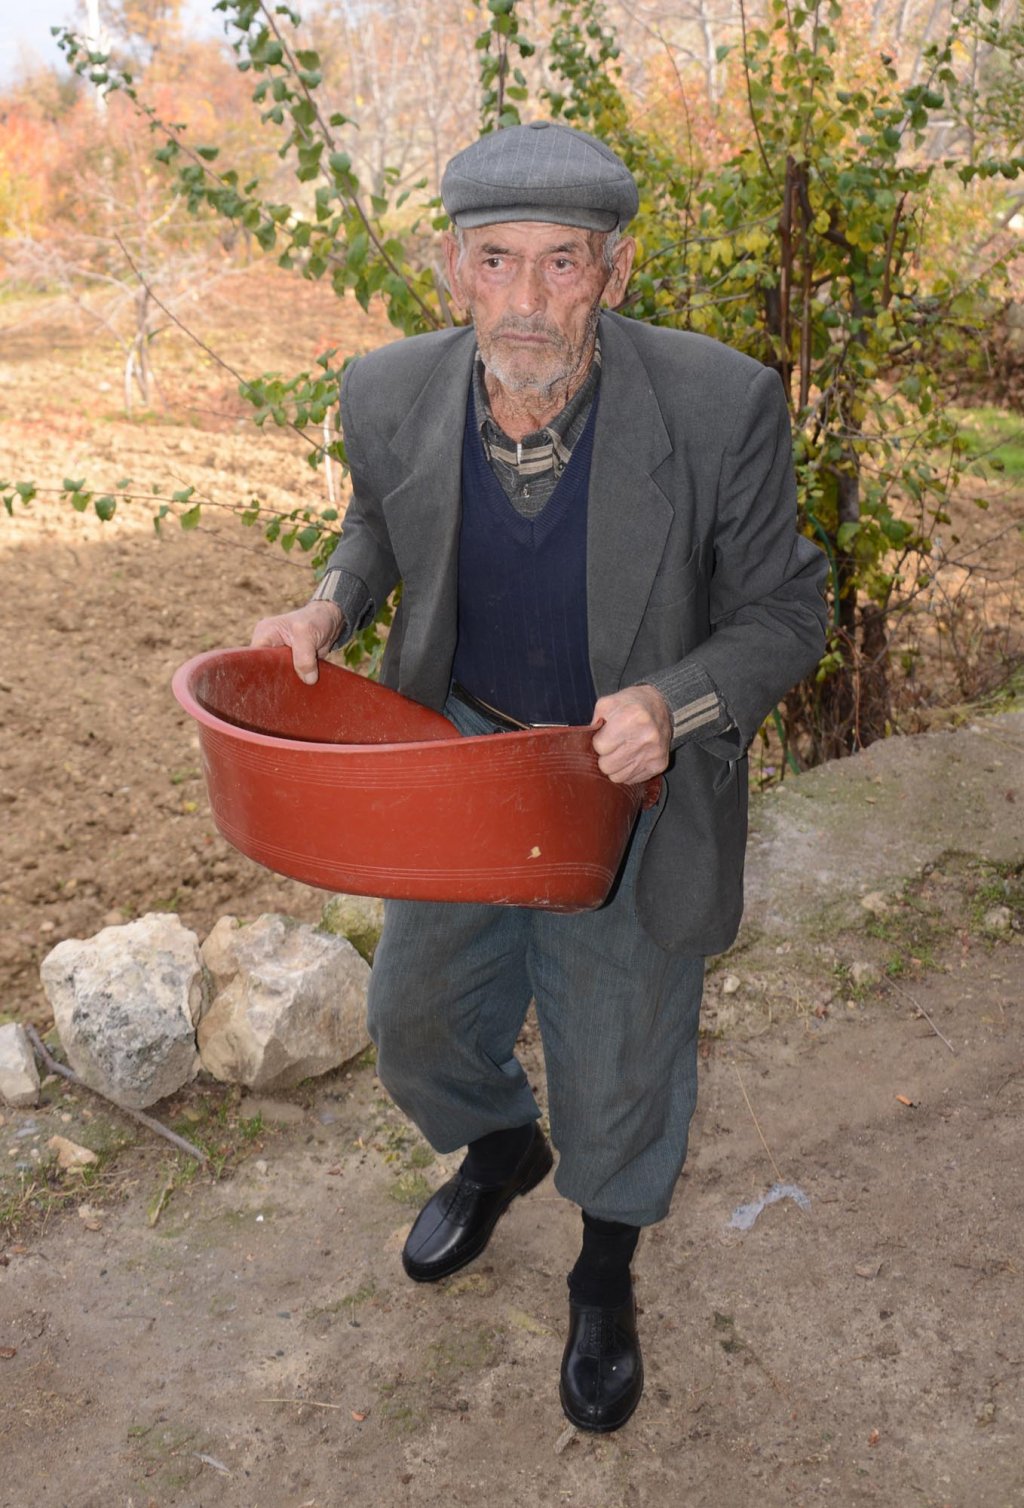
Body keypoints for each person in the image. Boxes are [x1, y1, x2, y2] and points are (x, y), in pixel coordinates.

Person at [251, 121, 828, 1433]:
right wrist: (326, 610)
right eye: (496, 262)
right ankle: (502, 1147)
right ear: (450, 268)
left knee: (620, 1051)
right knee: (415, 1015)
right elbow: (379, 528)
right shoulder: (389, 390)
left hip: (628, 778)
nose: (526, 300)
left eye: (562, 265)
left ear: (614, 274)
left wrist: (671, 705)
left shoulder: (720, 404)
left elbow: (791, 614)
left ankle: (605, 1265)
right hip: (460, 757)